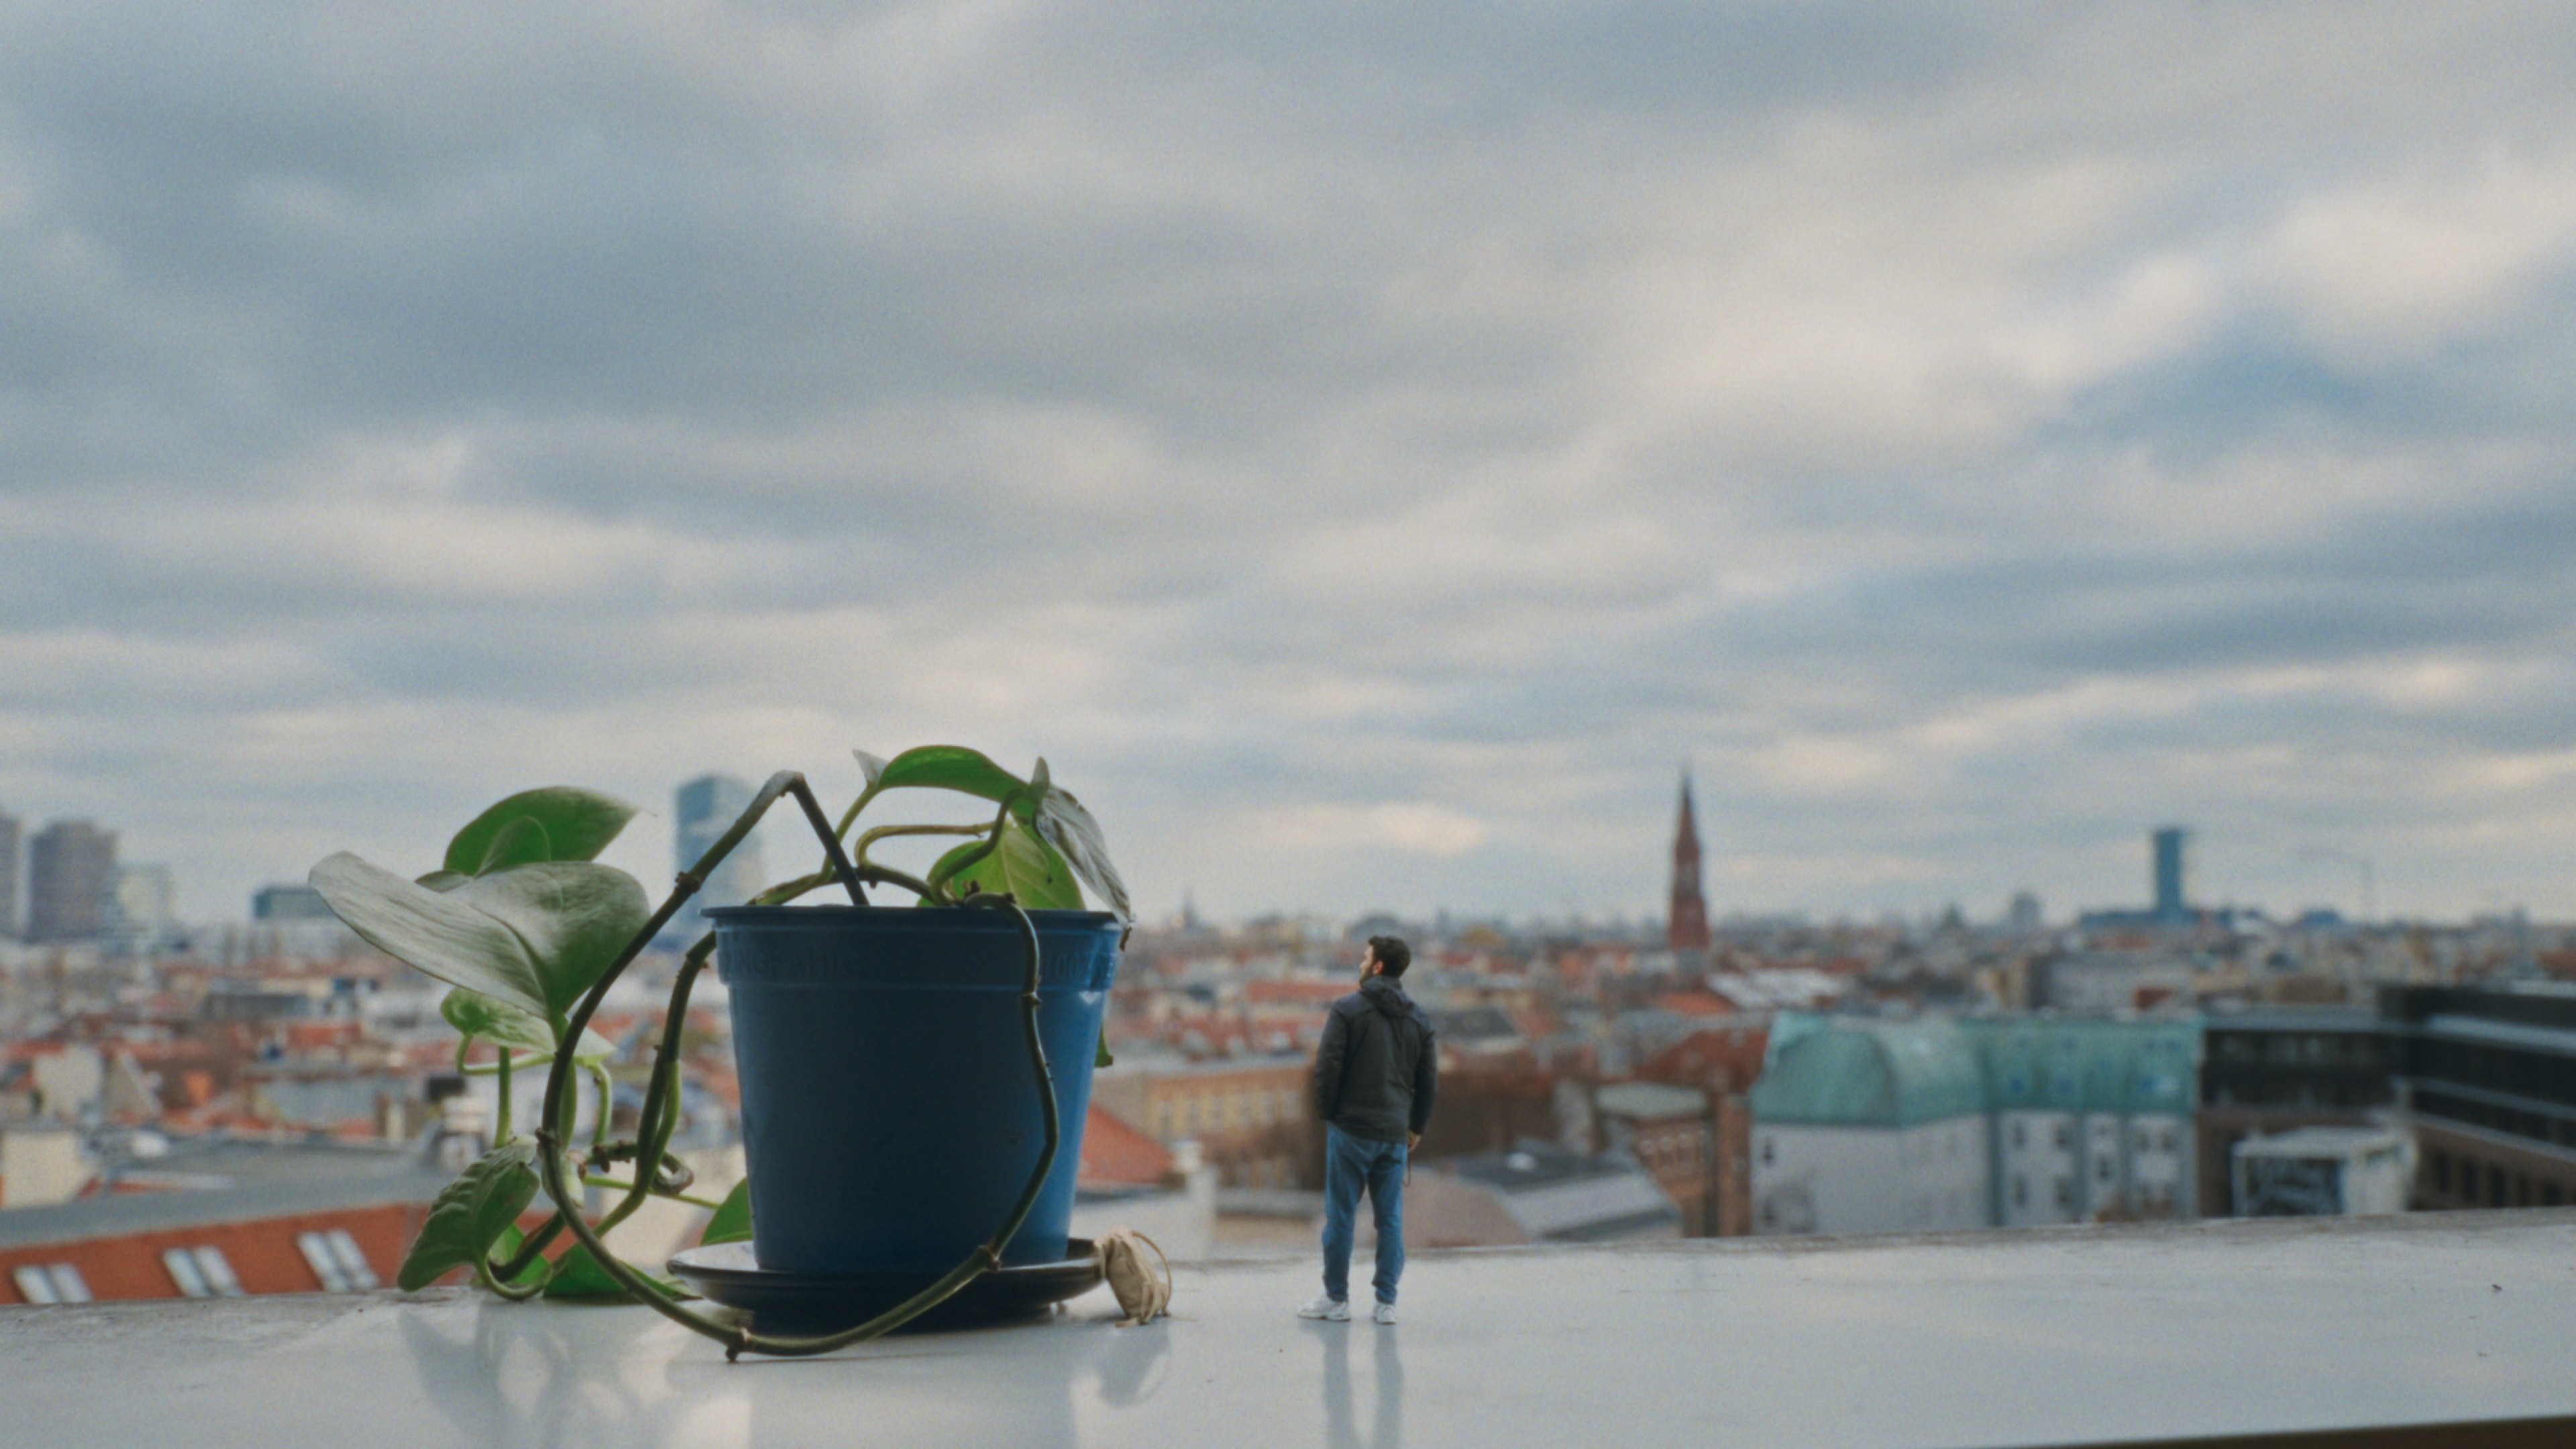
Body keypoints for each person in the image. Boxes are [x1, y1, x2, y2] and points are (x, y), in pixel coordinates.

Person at [1298, 934, 1437, 1325]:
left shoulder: (1347, 1009)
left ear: (1377, 967)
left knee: (1341, 1216)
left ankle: (1337, 1300)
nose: (1360, 963)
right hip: (1394, 1132)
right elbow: (1428, 1081)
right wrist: (1416, 1127)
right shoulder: (1420, 1019)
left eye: (1365, 958)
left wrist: (1329, 1113)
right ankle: (1386, 1303)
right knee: (1389, 1219)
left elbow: (1328, 1067)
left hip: (1352, 1129)